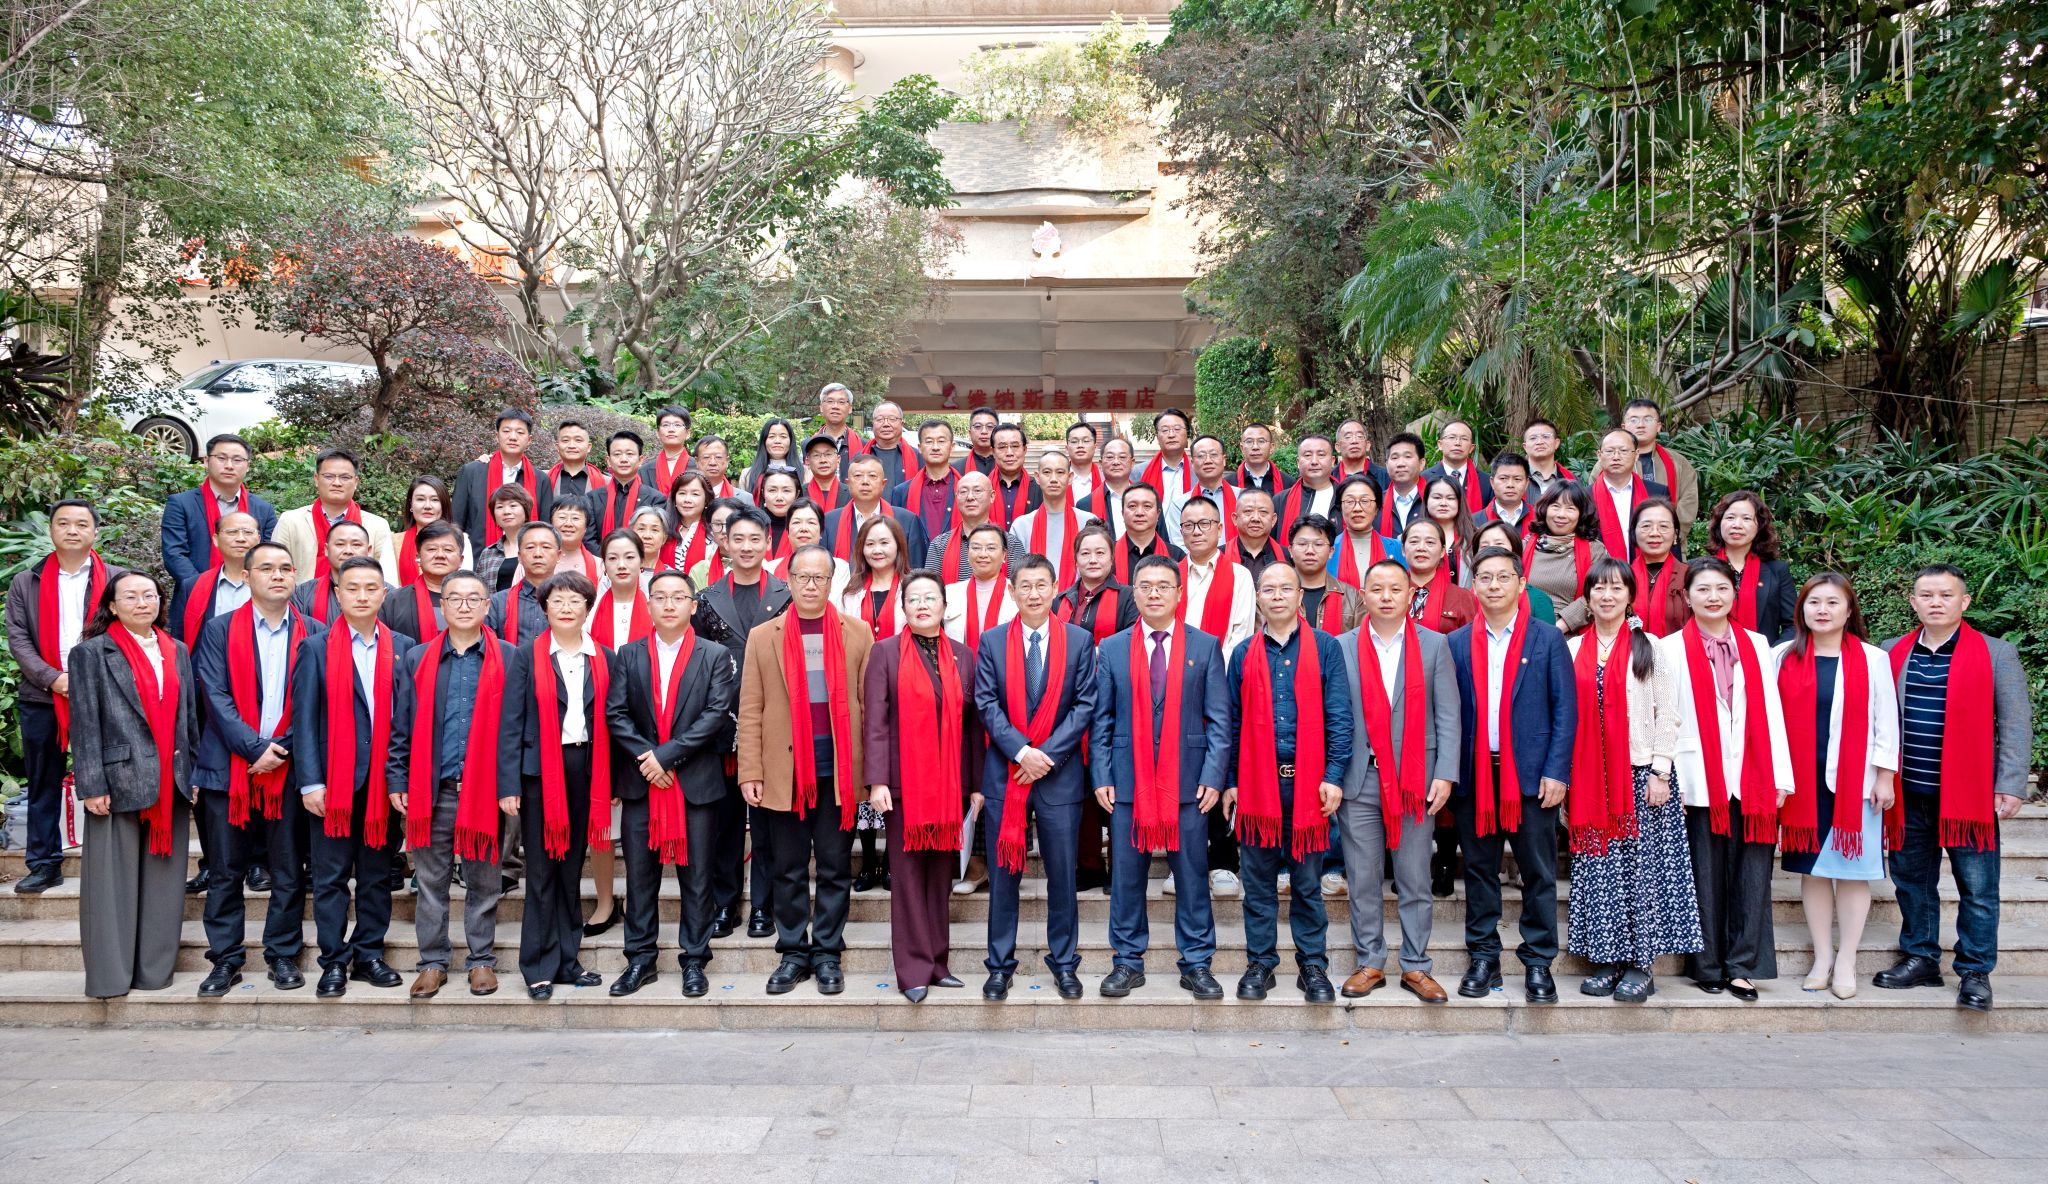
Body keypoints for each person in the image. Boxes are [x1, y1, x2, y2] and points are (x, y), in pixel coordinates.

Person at [1874, 564, 2033, 1011]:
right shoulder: (1891, 652)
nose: (1936, 602)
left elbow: (2016, 723)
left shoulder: (1996, 653)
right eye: (1926, 595)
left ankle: (1975, 972)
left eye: (1946, 595)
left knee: (1978, 889)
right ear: (1913, 602)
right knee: (1911, 882)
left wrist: (2011, 784)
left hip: (1968, 796)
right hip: (1908, 792)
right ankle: (1921, 958)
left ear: (1964, 601)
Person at [1089, 554, 1233, 999]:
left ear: (1178, 593)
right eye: (1146, 586)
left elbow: (1219, 720)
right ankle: (1127, 961)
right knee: (1126, 877)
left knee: (1192, 876)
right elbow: (1101, 719)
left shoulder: (1204, 646)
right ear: (1134, 592)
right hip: (1127, 781)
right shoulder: (1113, 648)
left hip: (1188, 784)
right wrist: (1101, 774)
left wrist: (1214, 775)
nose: (1154, 594)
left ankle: (1197, 963)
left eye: (1163, 586)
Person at [738, 545, 873, 995]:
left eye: (820, 578)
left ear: (832, 582)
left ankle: (828, 951)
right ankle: (794, 951)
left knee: (835, 865)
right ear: (789, 581)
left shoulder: (858, 633)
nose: (811, 585)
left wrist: (872, 772)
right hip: (785, 770)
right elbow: (751, 708)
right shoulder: (764, 636)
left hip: (838, 771)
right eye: (803, 577)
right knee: (788, 867)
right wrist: (750, 771)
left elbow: (869, 707)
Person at [1563, 559, 1700, 1003]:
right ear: (1587, 598)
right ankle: (1606, 960)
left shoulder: (1649, 647)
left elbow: (1668, 713)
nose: (1607, 596)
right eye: (1598, 588)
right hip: (1591, 777)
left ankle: (1641, 966)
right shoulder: (1573, 649)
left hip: (1641, 774)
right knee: (1599, 870)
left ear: (1629, 596)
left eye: (1616, 588)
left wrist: (1661, 770)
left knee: (1642, 873)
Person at [387, 569, 527, 1000]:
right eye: (455, 598)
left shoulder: (509, 657)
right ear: (442, 606)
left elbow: (517, 729)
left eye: (473, 599)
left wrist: (510, 784)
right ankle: (432, 962)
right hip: (434, 788)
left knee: (485, 879)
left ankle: (481, 959)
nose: (464, 606)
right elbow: (402, 725)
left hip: (486, 791)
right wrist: (398, 776)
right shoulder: (418, 658)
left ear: (487, 606)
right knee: (431, 881)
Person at [1446, 546, 1577, 1004]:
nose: (1494, 585)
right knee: (1479, 871)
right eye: (1485, 577)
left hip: (1531, 779)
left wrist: (1557, 771)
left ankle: (1538, 961)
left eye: (1504, 577)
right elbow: (1449, 714)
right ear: (1474, 586)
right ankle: (1483, 957)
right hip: (1476, 778)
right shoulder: (1457, 643)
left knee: (1538, 873)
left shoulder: (1547, 639)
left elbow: (1565, 711)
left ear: (1522, 584)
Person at [1661, 557, 1794, 1002]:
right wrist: (1669, 776)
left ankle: (1742, 966)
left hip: (1753, 775)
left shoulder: (1757, 644)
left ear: (1734, 593)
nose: (1713, 597)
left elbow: (1772, 711)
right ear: (1687, 597)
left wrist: (1780, 776)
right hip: (1698, 778)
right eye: (1703, 589)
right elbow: (1667, 718)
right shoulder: (1669, 649)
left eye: (1721, 588)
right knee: (1704, 874)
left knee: (1753, 875)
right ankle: (1708, 965)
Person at [601, 570, 738, 998]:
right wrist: (650, 759)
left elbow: (715, 715)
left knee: (697, 878)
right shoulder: (629, 654)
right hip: (644, 784)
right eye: (659, 597)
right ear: (648, 606)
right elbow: (616, 714)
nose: (669, 604)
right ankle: (640, 960)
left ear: (693, 606)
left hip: (694, 784)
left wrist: (666, 757)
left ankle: (694, 960)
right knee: (640, 877)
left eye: (678, 597)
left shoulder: (715, 655)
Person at [969, 557, 1097, 1001]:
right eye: (1025, 586)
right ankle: (999, 965)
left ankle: (1064, 962)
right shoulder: (992, 641)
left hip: (1059, 777)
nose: (1034, 594)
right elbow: (986, 703)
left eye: (1042, 585)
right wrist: (1023, 752)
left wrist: (1047, 757)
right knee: (1004, 877)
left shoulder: (1078, 641)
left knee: (1062, 876)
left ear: (1055, 588)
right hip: (1007, 774)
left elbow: (1084, 705)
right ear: (1012, 591)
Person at [191, 541, 315, 994]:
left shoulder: (314, 632)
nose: (277, 575)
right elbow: (214, 695)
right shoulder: (219, 629)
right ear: (246, 577)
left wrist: (278, 750)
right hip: (228, 769)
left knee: (288, 870)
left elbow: (313, 702)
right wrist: (253, 749)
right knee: (226, 870)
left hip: (288, 768)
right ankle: (225, 959)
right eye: (266, 568)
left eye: (285, 568)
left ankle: (282, 953)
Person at [1224, 564, 1352, 1002]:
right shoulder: (1244, 653)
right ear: (1258, 598)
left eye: (1285, 588)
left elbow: (1339, 717)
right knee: (1258, 884)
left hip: (1309, 786)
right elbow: (1233, 724)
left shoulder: (1326, 647)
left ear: (1300, 596)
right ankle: (1260, 963)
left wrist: (1334, 776)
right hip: (1257, 785)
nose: (1277, 595)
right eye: (1268, 589)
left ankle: (1312, 965)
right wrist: (1230, 782)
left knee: (1307, 884)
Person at [1335, 559, 1460, 1002]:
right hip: (1359, 778)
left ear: (1410, 595)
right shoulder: (1342, 647)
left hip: (1415, 780)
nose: (1386, 597)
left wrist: (1445, 773)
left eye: (1395, 589)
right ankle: (1370, 961)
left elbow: (1448, 714)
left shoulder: (1435, 644)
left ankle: (1416, 966)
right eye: (1377, 589)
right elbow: (1335, 717)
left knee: (1414, 878)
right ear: (1363, 595)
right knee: (1362, 877)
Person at [1775, 573, 1900, 1000]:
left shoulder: (1872, 659)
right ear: (1802, 610)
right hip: (1800, 786)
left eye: (1832, 602)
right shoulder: (1780, 657)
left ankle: (1846, 959)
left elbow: (1886, 721)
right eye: (1814, 602)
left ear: (1849, 611)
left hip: (1854, 783)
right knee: (1812, 872)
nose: (1822, 610)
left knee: (1851, 873)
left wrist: (1885, 775)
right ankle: (1822, 956)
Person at [293, 556, 412, 997]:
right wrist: (311, 782)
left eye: (371, 588)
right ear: (337, 594)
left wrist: (402, 779)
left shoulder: (403, 647)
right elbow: (304, 721)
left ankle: (369, 955)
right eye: (353, 588)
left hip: (384, 785)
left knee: (377, 876)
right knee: (330, 878)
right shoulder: (316, 648)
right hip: (334, 785)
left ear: (384, 594)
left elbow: (408, 719)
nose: (362, 596)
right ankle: (333, 960)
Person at [861, 570, 979, 1002]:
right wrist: (877, 780)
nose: (923, 604)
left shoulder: (963, 656)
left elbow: (972, 726)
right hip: (902, 785)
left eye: (931, 597)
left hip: (949, 787)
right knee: (909, 879)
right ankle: (912, 969)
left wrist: (975, 784)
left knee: (940, 877)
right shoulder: (885, 653)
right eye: (914, 598)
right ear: (903, 608)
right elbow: (875, 722)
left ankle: (937, 963)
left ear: (945, 606)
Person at [513, 573, 614, 998]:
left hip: (586, 769)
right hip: (540, 775)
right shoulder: (526, 656)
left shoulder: (604, 657)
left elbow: (613, 720)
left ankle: (568, 962)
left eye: (575, 600)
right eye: (557, 600)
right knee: (541, 871)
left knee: (572, 870)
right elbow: (510, 723)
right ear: (545, 608)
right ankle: (538, 966)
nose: (567, 607)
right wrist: (508, 784)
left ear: (588, 607)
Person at [691, 507, 791, 940]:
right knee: (725, 823)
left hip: (773, 723)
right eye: (738, 539)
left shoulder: (787, 595)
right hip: (720, 725)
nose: (747, 547)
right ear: (725, 543)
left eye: (755, 539)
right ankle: (725, 903)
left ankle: (764, 906)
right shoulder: (706, 598)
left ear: (768, 542)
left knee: (768, 822)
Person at [841, 516, 910, 890]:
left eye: (885, 542)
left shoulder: (912, 586)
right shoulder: (849, 592)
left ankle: (892, 861)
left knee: (895, 775)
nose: (878, 550)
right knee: (864, 772)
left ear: (898, 546)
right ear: (861, 549)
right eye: (870, 543)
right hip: (859, 691)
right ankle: (868, 861)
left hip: (902, 690)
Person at [160, 433, 277, 604]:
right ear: (206, 461)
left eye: (237, 460)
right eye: (221, 458)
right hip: (195, 595)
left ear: (248, 466)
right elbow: (174, 554)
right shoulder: (181, 504)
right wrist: (203, 588)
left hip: (251, 596)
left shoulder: (263, 509)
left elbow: (267, 554)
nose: (229, 465)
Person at [273, 449, 393, 576]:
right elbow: (275, 567)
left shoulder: (377, 525)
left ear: (356, 482)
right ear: (316, 479)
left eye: (345, 477)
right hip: (305, 589)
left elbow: (385, 575)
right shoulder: (290, 521)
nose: (337, 483)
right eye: (329, 476)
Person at [452, 409, 552, 558]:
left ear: (529, 440)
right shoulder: (472, 472)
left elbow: (545, 528)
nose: (513, 437)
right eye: (506, 431)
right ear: (497, 436)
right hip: (477, 559)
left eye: (520, 432)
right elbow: (456, 522)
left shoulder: (541, 479)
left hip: (525, 561)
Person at [1709, 491, 1796, 646]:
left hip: (1765, 657)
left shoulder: (1777, 571)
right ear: (1719, 523)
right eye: (1730, 517)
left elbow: (1793, 626)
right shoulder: (1699, 569)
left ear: (1759, 526)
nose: (1737, 525)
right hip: (1707, 656)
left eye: (1746, 518)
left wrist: (1770, 654)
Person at [1177, 494, 1255, 656]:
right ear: (1181, 531)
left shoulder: (1240, 576)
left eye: (1204, 524)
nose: (1196, 532)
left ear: (1219, 529)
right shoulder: (1171, 576)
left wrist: (1214, 668)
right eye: (1189, 525)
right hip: (1174, 666)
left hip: (1221, 668)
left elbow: (1241, 636)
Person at [1523, 485, 1605, 633]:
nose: (1561, 514)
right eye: (1555, 506)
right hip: (1525, 630)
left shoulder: (1594, 550)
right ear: (1545, 509)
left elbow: (1600, 591)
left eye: (1570, 508)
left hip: (1571, 633)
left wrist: (1557, 629)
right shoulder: (1525, 545)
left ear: (1582, 514)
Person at [1009, 450, 1094, 588]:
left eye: (1060, 472)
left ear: (1070, 477)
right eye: (1047, 472)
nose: (1053, 479)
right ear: (1037, 477)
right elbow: (1015, 575)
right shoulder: (1021, 526)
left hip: (1079, 598)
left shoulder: (1088, 522)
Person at [173, 510, 258, 649]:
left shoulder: (276, 584)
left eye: (248, 532)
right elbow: (178, 643)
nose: (241, 538)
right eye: (232, 532)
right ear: (216, 539)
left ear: (259, 539)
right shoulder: (192, 586)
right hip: (207, 661)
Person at [827, 455, 927, 570]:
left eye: (872, 476)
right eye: (858, 476)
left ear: (883, 484)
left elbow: (916, 569)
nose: (865, 481)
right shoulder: (829, 521)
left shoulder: (907, 520)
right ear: (848, 483)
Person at [927, 472, 1027, 580]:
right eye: (963, 491)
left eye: (977, 491)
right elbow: (931, 587)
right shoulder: (940, 545)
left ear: (992, 496)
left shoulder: (1011, 543)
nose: (970, 497)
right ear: (956, 497)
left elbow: (1018, 587)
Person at [1588, 429, 1668, 561]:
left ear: (1636, 455)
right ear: (1599, 455)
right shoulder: (1585, 496)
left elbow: (1669, 535)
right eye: (1609, 451)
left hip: (1651, 569)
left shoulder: (1657, 493)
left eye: (1623, 451)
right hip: (1600, 570)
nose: (1616, 457)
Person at [1621, 398, 1699, 530]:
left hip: (1668, 537)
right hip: (1620, 538)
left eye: (1648, 419)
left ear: (1658, 426)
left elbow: (1688, 503)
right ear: (1624, 427)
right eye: (1633, 420)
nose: (1640, 425)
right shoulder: (1609, 462)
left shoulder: (1678, 463)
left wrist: (1670, 534)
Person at [380, 521, 464, 643]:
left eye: (448, 549)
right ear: (418, 557)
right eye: (432, 549)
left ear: (461, 560)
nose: (440, 555)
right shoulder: (393, 601)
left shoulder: (476, 601)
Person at [943, 524, 1019, 657]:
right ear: (967, 553)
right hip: (959, 667)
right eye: (976, 548)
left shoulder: (1018, 594)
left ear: (1004, 555)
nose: (983, 554)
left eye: (991, 548)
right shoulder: (949, 593)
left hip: (1005, 667)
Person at [1055, 523, 1138, 641]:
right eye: (1085, 553)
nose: (1093, 560)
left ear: (1111, 558)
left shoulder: (1130, 597)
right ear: (1076, 560)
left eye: (1100, 553)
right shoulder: (1059, 601)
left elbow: (1132, 640)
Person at [386, 476, 472, 587]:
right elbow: (389, 587)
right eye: (420, 499)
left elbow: (464, 584)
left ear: (443, 505)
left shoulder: (461, 539)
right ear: (411, 504)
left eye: (435, 500)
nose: (427, 506)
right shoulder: (394, 541)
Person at [1288, 514, 1366, 636]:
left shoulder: (1352, 597)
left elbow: (1359, 641)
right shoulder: (1274, 593)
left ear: (1331, 552)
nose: (1310, 551)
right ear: (1290, 550)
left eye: (1318, 544)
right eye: (1302, 544)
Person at [291, 520, 381, 625]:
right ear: (326, 549)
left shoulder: (388, 595)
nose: (348, 551)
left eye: (356, 544)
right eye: (340, 544)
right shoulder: (303, 593)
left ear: (368, 550)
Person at [485, 521, 559, 646]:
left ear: (559, 555)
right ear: (519, 556)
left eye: (546, 547)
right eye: (530, 547)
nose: (538, 554)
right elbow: (488, 647)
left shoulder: (571, 600)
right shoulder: (498, 602)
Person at [891, 419, 964, 542]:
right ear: (920, 448)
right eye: (929, 441)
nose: (935, 447)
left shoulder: (967, 490)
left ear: (952, 447)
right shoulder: (901, 492)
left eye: (941, 441)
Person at [1401, 518, 1477, 634]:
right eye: (1414, 542)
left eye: (1430, 542)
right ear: (1403, 550)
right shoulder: (1390, 594)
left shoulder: (1462, 597)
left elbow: (1470, 639)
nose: (1421, 548)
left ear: (1442, 551)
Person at [1165, 435, 1237, 548]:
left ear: (1224, 460)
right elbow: (1180, 547)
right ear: (1192, 463)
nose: (1208, 461)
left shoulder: (1242, 499)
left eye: (1213, 455)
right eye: (1201, 456)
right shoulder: (1180, 505)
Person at [1629, 497, 1687, 636]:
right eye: (1646, 526)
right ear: (1634, 532)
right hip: (1629, 649)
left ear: (1675, 534)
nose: (1654, 533)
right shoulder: (1622, 577)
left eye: (1663, 526)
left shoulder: (1689, 577)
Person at [592, 430, 665, 536]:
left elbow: (656, 536)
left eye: (630, 454)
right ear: (608, 460)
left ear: (640, 460)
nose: (623, 459)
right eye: (617, 454)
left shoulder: (655, 499)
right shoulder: (592, 499)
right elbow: (588, 538)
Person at [1332, 476, 1401, 589]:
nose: (1357, 508)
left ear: (1377, 508)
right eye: (1350, 501)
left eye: (1365, 501)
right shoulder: (1328, 549)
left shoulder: (1397, 548)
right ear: (1340, 508)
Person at [1111, 483, 1183, 580]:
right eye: (1132, 506)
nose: (1139, 512)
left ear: (1158, 514)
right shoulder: (1108, 555)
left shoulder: (1176, 556)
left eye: (1147, 506)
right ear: (1122, 513)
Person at [472, 483, 535, 593]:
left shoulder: (540, 546)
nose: (506, 512)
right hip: (496, 604)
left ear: (526, 509)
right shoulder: (488, 553)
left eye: (513, 506)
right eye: (500, 507)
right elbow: (480, 592)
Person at [1276, 434, 1338, 537]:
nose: (1314, 461)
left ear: (1332, 461)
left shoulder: (1345, 497)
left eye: (1321, 455)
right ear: (1298, 462)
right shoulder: (1281, 500)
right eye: (1308, 455)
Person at [1424, 419, 1493, 512]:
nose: (1457, 443)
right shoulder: (1424, 478)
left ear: (1471, 448)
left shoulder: (1487, 482)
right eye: (1452, 437)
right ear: (1440, 444)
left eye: (1464, 439)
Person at [1422, 477, 1479, 582]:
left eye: (1450, 498)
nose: (1443, 503)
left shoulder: (1477, 537)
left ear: (1459, 502)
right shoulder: (1409, 538)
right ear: (1426, 500)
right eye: (1437, 497)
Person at [1077, 438, 1136, 537]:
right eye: (1110, 457)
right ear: (1100, 463)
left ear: (1132, 463)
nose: (1116, 462)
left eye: (1122, 457)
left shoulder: (1148, 499)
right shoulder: (1085, 505)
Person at [987, 424, 1041, 528]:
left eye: (1015, 446)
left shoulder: (1040, 488)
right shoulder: (982, 488)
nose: (1009, 453)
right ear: (993, 452)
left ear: (1025, 449)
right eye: (1002, 447)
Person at [1230, 488, 1288, 583]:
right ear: (1235, 518)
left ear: (1273, 520)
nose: (1256, 518)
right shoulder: (1219, 556)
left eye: (1263, 512)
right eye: (1248, 511)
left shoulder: (1288, 557)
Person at [858, 400, 919, 489]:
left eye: (892, 419)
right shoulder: (859, 457)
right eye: (880, 419)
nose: (886, 424)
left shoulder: (917, 456)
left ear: (901, 424)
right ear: (873, 423)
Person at [1377, 433, 1428, 538]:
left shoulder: (1434, 500)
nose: (1400, 463)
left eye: (1408, 457)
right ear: (1386, 465)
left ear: (1421, 463)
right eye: (1394, 457)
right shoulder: (1375, 503)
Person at [642, 406, 695, 497]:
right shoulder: (644, 471)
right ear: (658, 433)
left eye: (677, 425)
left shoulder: (699, 467)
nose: (671, 430)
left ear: (688, 433)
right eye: (665, 425)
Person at [740, 417, 797, 500]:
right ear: (764, 441)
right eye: (771, 436)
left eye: (783, 436)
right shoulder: (748, 474)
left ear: (791, 441)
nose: (777, 441)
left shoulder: (805, 473)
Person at [1140, 407, 1194, 495]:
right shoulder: (1139, 472)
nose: (1171, 435)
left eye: (1177, 429)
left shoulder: (1199, 471)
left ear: (1187, 434)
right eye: (1165, 430)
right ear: (1157, 437)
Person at [547, 419, 605, 500]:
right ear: (557, 447)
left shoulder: (607, 482)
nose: (572, 445)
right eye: (565, 440)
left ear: (589, 447)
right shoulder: (543, 479)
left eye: (578, 440)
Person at [548, 496, 601, 582]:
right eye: (562, 517)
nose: (568, 523)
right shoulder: (536, 560)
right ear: (551, 523)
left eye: (575, 518)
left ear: (586, 527)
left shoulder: (599, 565)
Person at [813, 382, 861, 478]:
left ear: (850, 408)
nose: (835, 406)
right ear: (821, 407)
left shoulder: (863, 446)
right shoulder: (808, 445)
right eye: (830, 401)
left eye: (841, 402)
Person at [1520, 419, 1575, 502]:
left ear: (1556, 443)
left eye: (1546, 436)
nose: (1539, 442)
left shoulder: (1572, 480)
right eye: (1533, 438)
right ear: (1525, 447)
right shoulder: (1511, 479)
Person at [691, 435, 752, 506]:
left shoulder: (744, 499)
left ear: (727, 461)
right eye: (706, 457)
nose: (712, 463)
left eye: (718, 457)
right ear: (697, 461)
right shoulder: (685, 497)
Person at [1482, 451, 1535, 533]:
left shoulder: (1539, 520)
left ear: (1526, 483)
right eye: (1503, 478)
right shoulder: (1475, 521)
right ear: (1492, 482)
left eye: (1517, 479)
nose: (1510, 485)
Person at [1234, 422, 1289, 496]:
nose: (1255, 447)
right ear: (1242, 448)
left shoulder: (1288, 483)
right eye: (1249, 441)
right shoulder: (1228, 484)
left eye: (1261, 441)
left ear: (1271, 447)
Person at [757, 469, 802, 560]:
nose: (779, 497)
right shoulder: (751, 525)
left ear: (797, 494)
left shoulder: (805, 528)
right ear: (763, 493)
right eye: (772, 490)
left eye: (786, 491)